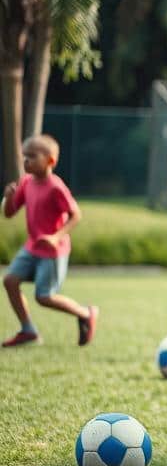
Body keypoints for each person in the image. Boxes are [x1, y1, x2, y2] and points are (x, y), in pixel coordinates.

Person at [2, 135, 98, 347]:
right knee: (9, 281)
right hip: (32, 247)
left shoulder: (56, 187)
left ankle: (86, 313)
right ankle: (28, 331)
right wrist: (9, 197)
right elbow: (8, 214)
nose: (26, 161)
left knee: (44, 296)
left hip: (53, 252)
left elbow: (76, 214)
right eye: (24, 156)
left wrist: (56, 237)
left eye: (32, 156)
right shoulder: (26, 183)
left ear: (50, 161)